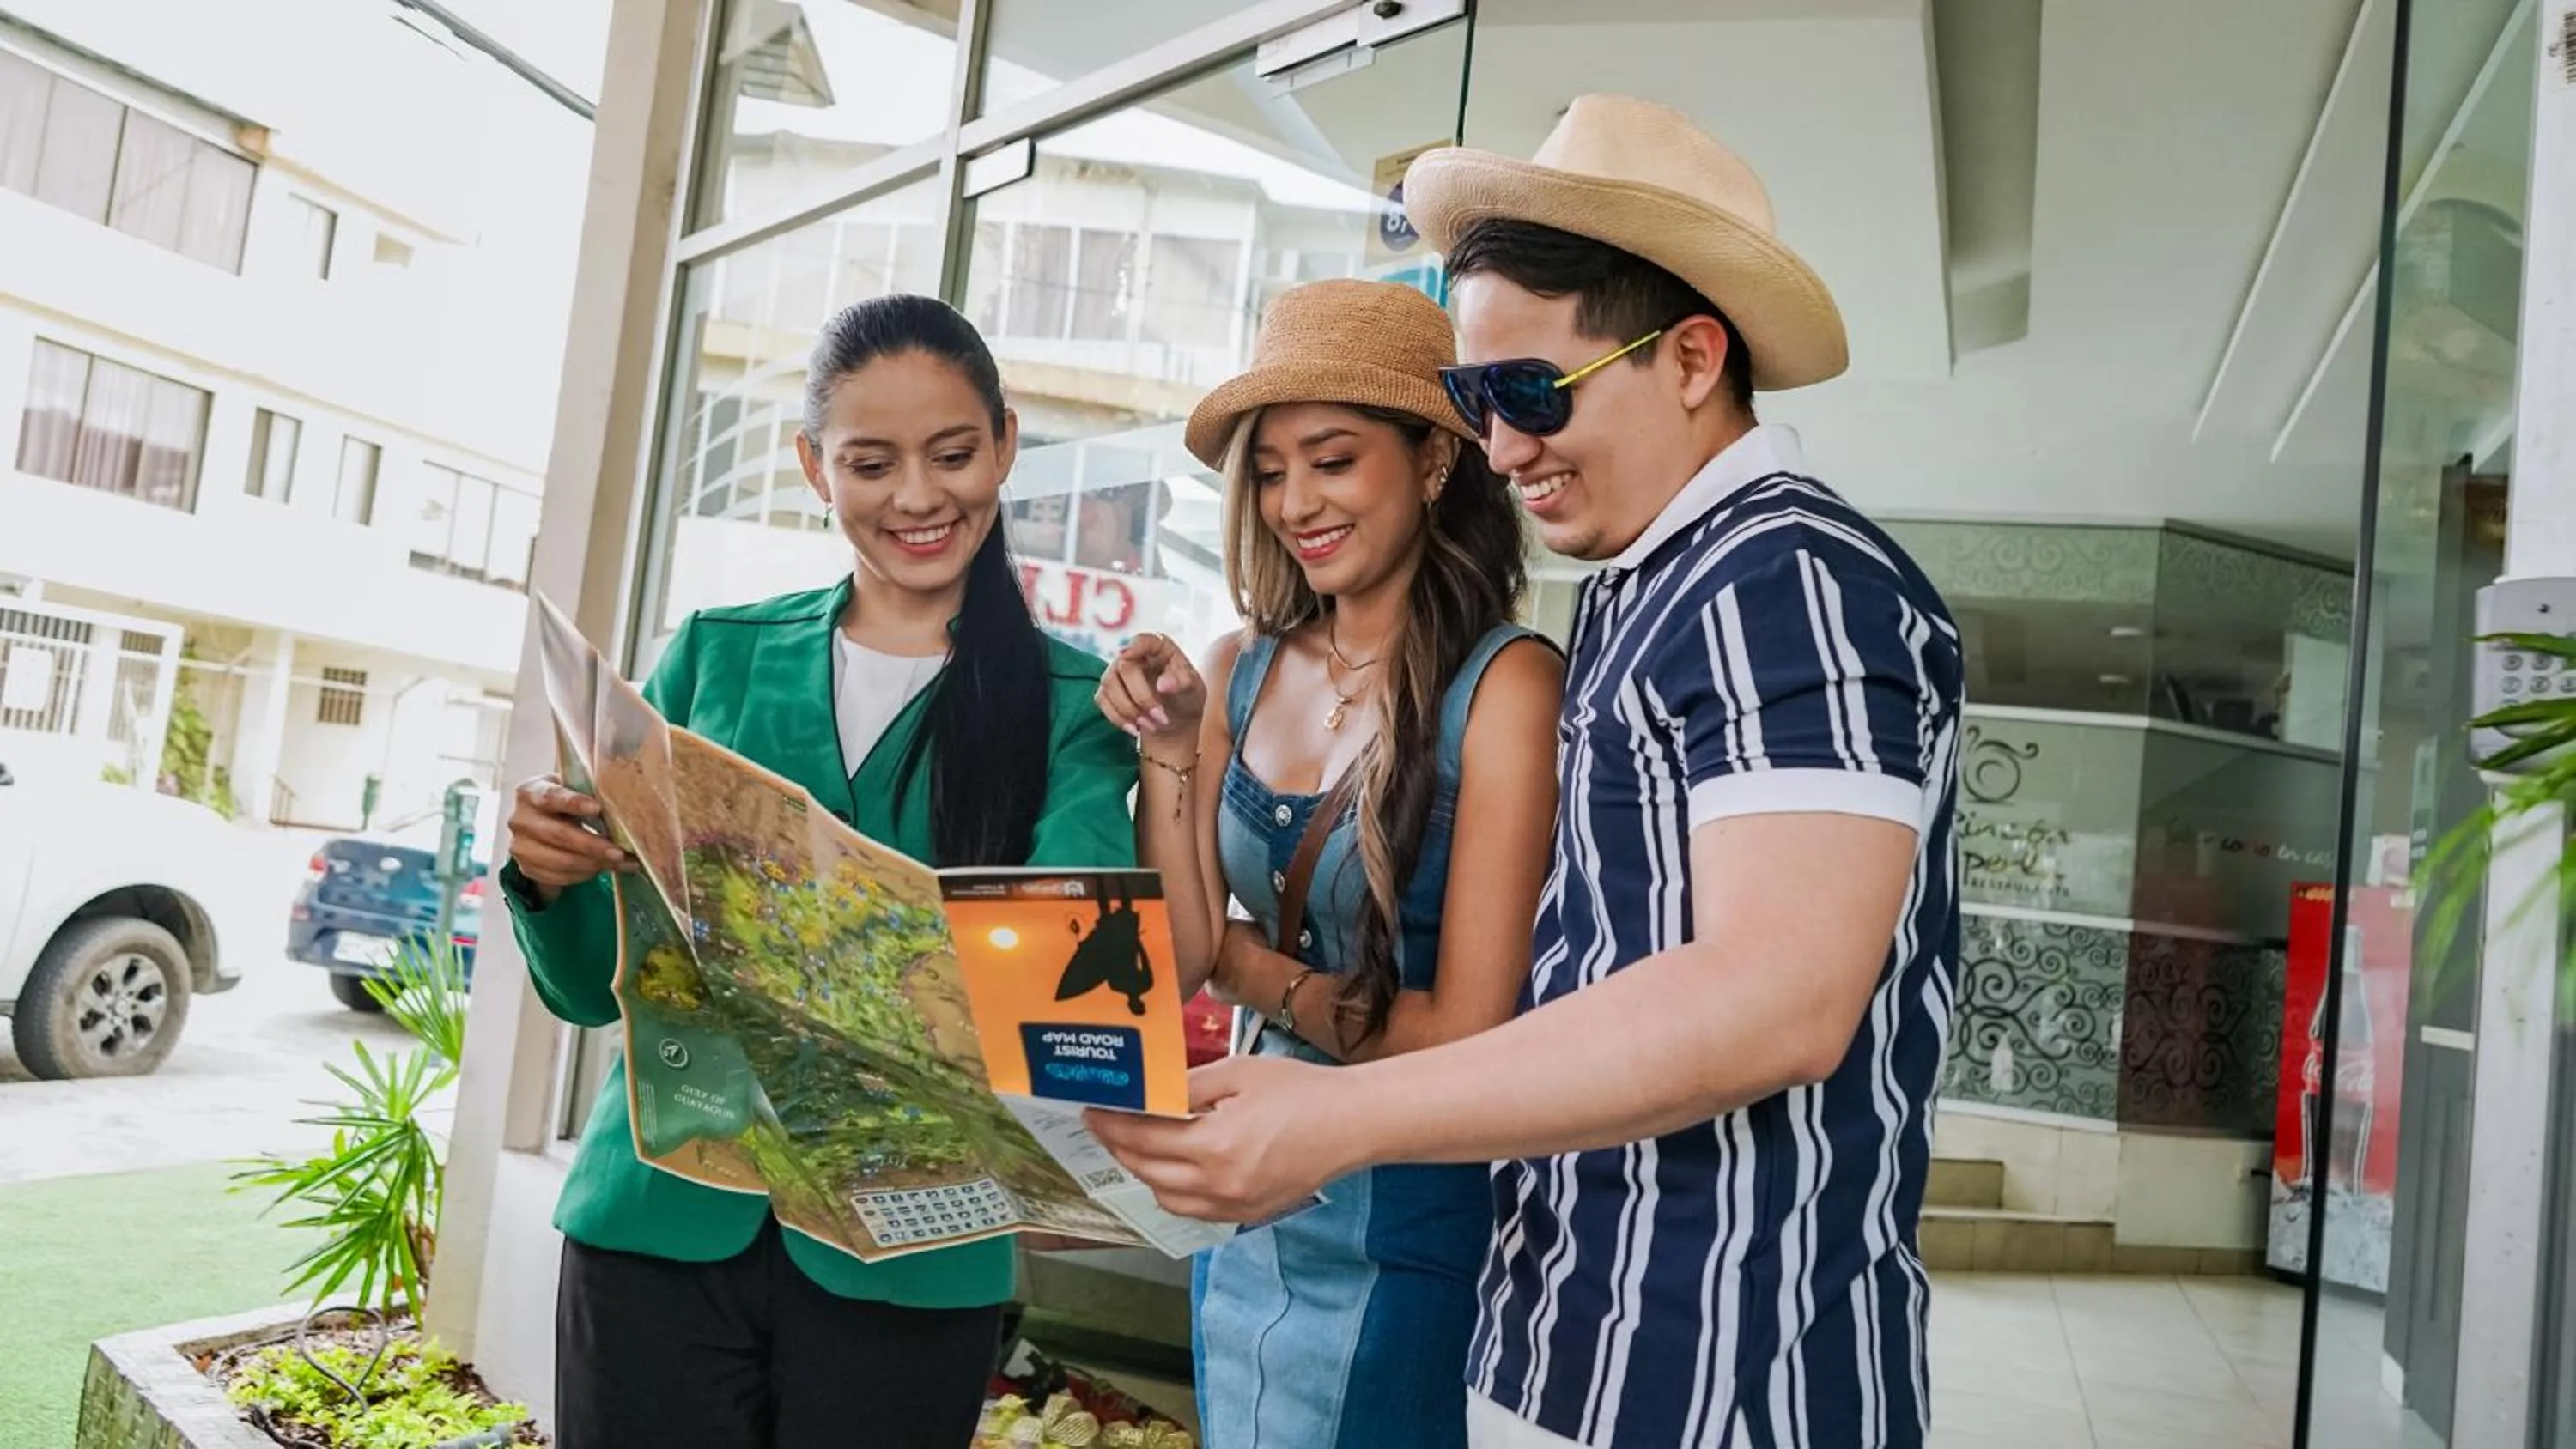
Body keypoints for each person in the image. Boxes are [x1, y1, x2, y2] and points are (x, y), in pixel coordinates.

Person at [1090, 96, 1966, 1449]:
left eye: (1530, 394)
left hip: (1717, 1368)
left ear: (1692, 357)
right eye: (1475, 400)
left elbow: (1779, 999)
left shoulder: (1786, 584)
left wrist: (1342, 1111)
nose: (1502, 450)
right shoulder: (1651, 587)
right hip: (1574, 1330)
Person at [499, 294, 1137, 1449]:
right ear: (813, 468)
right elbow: (591, 989)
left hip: (911, 1257)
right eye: (871, 463)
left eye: (953, 454)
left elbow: (1070, 996)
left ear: (1005, 444)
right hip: (658, 1227)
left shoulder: (1071, 707)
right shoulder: (715, 658)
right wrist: (550, 878)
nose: (917, 497)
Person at [1093, 278, 1563, 1448]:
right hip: (1245, 1198)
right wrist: (1169, 752)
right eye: (1269, 471)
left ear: (1436, 461)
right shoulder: (1236, 669)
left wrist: (1259, 975)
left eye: (1334, 461)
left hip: (1412, 1206)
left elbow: (1467, 1034)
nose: (1295, 502)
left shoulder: (1507, 688)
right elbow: (1182, 955)